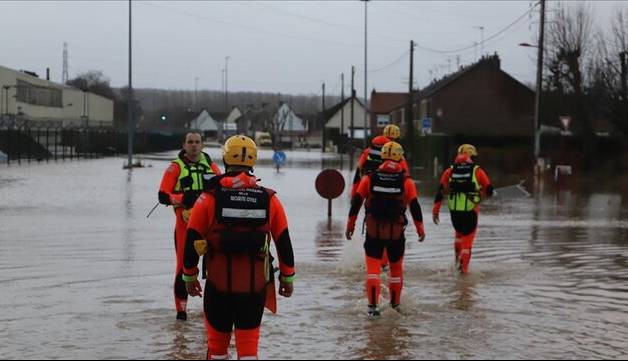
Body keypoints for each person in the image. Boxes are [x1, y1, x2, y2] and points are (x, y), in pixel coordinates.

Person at [182, 135, 295, 360]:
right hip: (254, 289)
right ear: (252, 162)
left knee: (216, 349)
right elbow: (283, 242)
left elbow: (191, 239)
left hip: (218, 286)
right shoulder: (270, 199)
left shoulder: (208, 198)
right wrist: (287, 278)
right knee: (248, 351)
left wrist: (189, 277)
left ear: (225, 159)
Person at [346, 141, 426, 316]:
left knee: (373, 272)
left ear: (382, 156)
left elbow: (356, 203)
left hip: (373, 232)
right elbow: (415, 207)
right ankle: (395, 305)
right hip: (396, 234)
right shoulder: (407, 182)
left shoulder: (369, 178)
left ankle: (372, 308)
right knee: (396, 270)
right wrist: (420, 230)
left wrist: (350, 226)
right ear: (400, 158)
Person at [158, 133, 222, 320]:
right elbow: (162, 196)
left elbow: (223, 190)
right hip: (184, 222)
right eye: (190, 142)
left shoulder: (211, 167)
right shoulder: (175, 167)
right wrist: (182, 199)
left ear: (202, 145)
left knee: (213, 266)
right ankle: (181, 312)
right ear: (184, 145)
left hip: (208, 224)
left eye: (197, 142)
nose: (194, 146)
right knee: (181, 267)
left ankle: (211, 309)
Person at [432, 144, 494, 274]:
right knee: (468, 241)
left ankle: (456, 261)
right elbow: (489, 190)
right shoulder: (477, 170)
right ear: (470, 156)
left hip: (455, 212)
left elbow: (440, 192)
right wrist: (483, 192)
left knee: (459, 235)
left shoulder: (449, 171)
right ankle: (463, 271)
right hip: (471, 211)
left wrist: (435, 211)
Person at [351, 124, 410, 198]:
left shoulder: (368, 151)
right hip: (393, 193)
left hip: (372, 191)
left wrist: (354, 195)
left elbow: (358, 172)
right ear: (397, 139)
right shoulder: (398, 154)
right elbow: (406, 174)